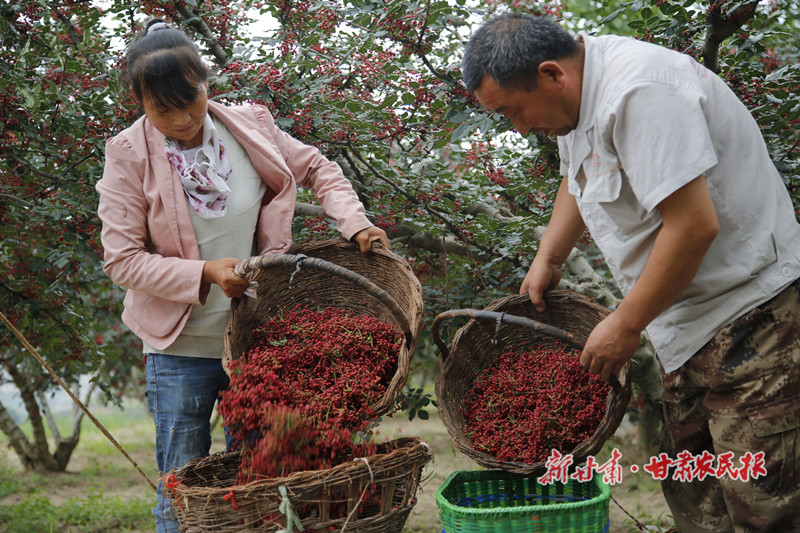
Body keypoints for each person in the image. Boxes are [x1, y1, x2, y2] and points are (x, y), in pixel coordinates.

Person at [461, 12, 800, 532]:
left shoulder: (640, 92)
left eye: (513, 111)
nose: (520, 129)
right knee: (695, 494)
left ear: (552, 74)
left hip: (752, 319)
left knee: (765, 506)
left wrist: (625, 322)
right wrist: (549, 257)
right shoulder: (576, 102)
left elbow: (692, 227)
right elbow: (577, 177)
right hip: (684, 326)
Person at [95, 18, 389, 533]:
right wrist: (205, 272)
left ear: (205, 83)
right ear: (139, 101)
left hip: (255, 339)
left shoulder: (248, 125)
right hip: (180, 346)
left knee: (257, 484)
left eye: (191, 101)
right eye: (163, 110)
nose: (183, 119)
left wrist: (354, 221)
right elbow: (121, 260)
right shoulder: (128, 154)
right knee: (182, 486)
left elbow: (317, 167)